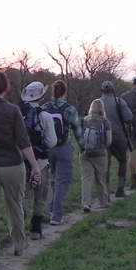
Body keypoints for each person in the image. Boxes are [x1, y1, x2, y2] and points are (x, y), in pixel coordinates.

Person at [0, 71, 41, 265]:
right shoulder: (13, 110)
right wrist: (35, 165)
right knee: (15, 205)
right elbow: (23, 140)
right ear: (7, 87)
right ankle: (19, 245)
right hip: (13, 164)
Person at [20, 81, 57, 239]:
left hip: (21, 161)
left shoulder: (18, 113)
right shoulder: (45, 116)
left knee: (21, 194)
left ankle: (19, 223)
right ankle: (36, 228)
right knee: (40, 194)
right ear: (41, 97)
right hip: (40, 161)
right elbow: (51, 141)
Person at [43, 80, 82, 225]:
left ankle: (51, 208)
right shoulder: (69, 109)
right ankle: (56, 216)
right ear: (65, 93)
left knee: (53, 179)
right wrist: (83, 147)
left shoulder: (45, 107)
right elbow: (77, 130)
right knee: (61, 182)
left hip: (48, 148)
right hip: (64, 148)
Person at [99, 80, 133, 198]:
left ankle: (105, 193)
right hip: (118, 135)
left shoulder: (97, 103)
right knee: (122, 161)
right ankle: (120, 189)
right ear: (113, 90)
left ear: (102, 90)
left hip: (102, 137)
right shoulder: (119, 101)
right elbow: (129, 117)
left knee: (105, 164)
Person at [80, 99, 112, 212]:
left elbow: (81, 136)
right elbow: (109, 141)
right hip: (100, 154)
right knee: (100, 178)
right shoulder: (105, 122)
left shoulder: (85, 120)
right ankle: (103, 202)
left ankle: (86, 203)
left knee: (86, 178)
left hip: (85, 154)